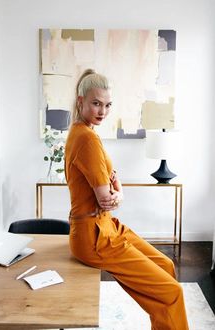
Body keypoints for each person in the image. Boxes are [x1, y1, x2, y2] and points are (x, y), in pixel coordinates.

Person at [65, 68, 189, 330]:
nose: (103, 111)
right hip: (95, 236)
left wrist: (116, 191)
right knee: (173, 293)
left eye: (108, 105)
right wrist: (117, 194)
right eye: (96, 104)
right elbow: (106, 198)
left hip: (105, 225)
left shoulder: (84, 131)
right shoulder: (86, 138)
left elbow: (112, 177)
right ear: (81, 102)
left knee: (165, 265)